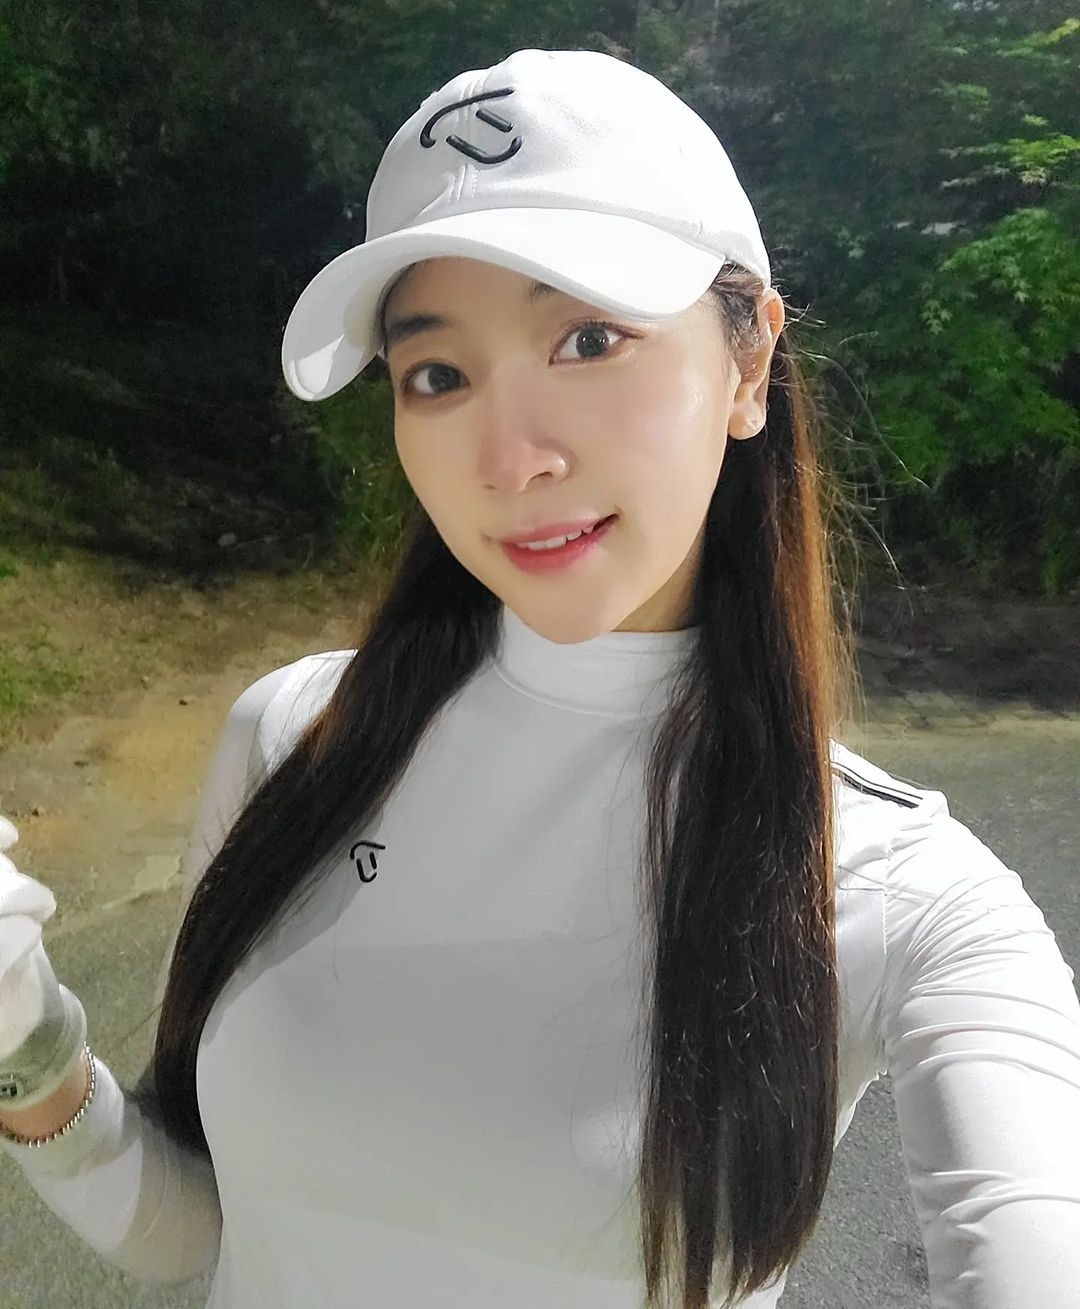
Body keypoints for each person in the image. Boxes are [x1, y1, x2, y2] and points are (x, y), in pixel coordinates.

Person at [1, 45, 1079, 1309]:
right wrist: (24, 1031)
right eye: (438, 374)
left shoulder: (912, 896)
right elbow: (200, 1227)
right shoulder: (294, 735)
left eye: (589, 337)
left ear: (748, 363)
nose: (509, 459)